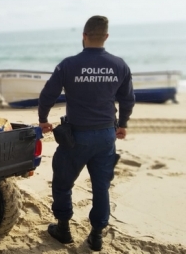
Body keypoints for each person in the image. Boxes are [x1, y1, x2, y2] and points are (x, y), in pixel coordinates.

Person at [38, 15, 135, 251]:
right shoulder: (119, 65)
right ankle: (97, 236)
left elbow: (48, 94)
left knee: (62, 183)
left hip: (76, 137)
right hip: (105, 136)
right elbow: (127, 99)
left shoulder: (68, 64)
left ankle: (63, 229)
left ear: (84, 36)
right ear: (106, 37)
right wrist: (122, 124)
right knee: (101, 186)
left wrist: (43, 120)